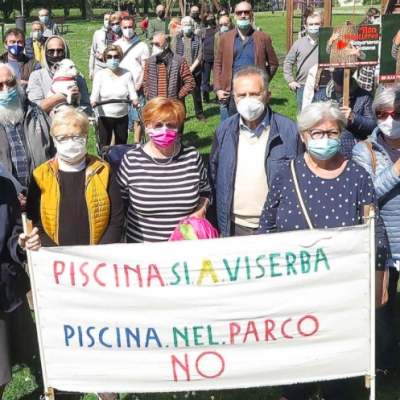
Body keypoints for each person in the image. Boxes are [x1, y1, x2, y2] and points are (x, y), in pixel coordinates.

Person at [258, 101, 389, 400]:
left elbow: (374, 227)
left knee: (336, 355)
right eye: (317, 133)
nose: (325, 139)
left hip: (340, 287)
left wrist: (380, 274)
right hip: (292, 285)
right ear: (303, 135)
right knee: (296, 350)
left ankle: (335, 390)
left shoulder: (357, 175)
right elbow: (266, 223)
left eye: (333, 133)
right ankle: (295, 390)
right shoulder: (285, 172)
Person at [26, 109, 124, 400]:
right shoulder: (41, 175)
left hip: (97, 267)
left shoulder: (103, 170)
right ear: (54, 140)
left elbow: (117, 219)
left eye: (78, 136)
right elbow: (35, 221)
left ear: (86, 136)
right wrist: (60, 259)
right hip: (57, 268)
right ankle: (66, 381)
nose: (72, 142)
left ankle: (103, 381)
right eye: (64, 137)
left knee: (99, 323)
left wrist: (95, 259)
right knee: (65, 325)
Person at [209, 66, 300, 237]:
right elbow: (213, 178)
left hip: (277, 227)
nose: (248, 100)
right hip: (235, 228)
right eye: (242, 95)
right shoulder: (224, 131)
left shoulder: (289, 131)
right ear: (234, 98)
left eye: (254, 94)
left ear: (267, 96)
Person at [117, 97, 212, 243]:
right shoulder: (131, 160)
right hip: (142, 250)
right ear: (147, 126)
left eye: (171, 125)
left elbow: (206, 191)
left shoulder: (191, 156)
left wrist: (201, 210)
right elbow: (119, 206)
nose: (164, 130)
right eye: (158, 125)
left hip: (185, 247)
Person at [352, 85, 400, 375]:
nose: (390, 119)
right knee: (384, 306)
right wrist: (395, 172)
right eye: (382, 114)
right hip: (386, 242)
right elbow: (368, 193)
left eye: (396, 113)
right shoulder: (364, 150)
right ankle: (385, 362)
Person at [0, 177, 41, 400]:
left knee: (2, 369)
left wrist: (22, 244)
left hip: (4, 291)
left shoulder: (5, 187)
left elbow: (13, 234)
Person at [214, 1, 279, 117]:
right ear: (234, 16)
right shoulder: (226, 38)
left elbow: (273, 63)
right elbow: (218, 64)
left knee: (256, 123)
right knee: (234, 125)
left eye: (246, 12)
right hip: (233, 91)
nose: (243, 15)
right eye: (239, 12)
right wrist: (218, 88)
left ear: (252, 15)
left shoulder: (263, 38)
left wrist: (263, 81)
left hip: (255, 91)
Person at [0, 63, 53, 202]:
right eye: (0, 86)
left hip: (42, 194)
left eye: (10, 83)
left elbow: (54, 150)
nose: (6, 89)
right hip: (5, 200)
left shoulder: (36, 112)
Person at [312, 68, 376, 159]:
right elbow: (311, 123)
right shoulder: (320, 96)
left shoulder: (364, 97)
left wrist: (353, 117)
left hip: (353, 150)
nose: (340, 72)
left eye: (344, 69)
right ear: (331, 71)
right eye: (337, 69)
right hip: (326, 147)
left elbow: (372, 126)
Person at [27, 35, 91, 115]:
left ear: (66, 52)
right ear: (45, 53)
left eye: (60, 51)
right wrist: (60, 97)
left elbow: (87, 107)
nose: (55, 55)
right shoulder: (37, 76)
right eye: (51, 51)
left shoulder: (78, 77)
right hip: (47, 126)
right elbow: (33, 107)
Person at [90, 45, 138, 146]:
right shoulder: (100, 75)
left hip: (122, 116)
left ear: (120, 57)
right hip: (104, 116)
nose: (113, 59)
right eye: (109, 57)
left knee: (121, 145)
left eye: (116, 56)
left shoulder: (127, 74)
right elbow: (95, 92)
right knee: (104, 145)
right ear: (105, 58)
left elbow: (132, 92)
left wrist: (134, 100)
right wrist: (93, 100)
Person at [114, 16, 150, 142]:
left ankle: (136, 145)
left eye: (130, 27)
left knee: (137, 118)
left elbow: (145, 68)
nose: (128, 30)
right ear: (121, 28)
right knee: (119, 118)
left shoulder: (142, 46)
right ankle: (119, 145)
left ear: (135, 27)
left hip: (136, 87)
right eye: (125, 27)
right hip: (120, 88)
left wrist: (139, 84)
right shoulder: (116, 45)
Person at [284, 12, 322, 111]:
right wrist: (290, 80)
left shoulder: (326, 42)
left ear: (322, 25)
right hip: (303, 85)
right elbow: (288, 62)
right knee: (304, 115)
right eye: (311, 24)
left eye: (317, 24)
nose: (314, 27)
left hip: (322, 85)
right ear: (306, 26)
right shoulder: (298, 43)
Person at [172, 17, 206, 123]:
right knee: (180, 94)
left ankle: (200, 114)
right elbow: (174, 54)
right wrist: (182, 69)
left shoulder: (197, 38)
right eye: (185, 24)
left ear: (192, 25)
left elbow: (200, 55)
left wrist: (191, 68)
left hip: (194, 70)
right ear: (182, 26)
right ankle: (182, 114)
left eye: (189, 24)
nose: (187, 26)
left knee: (196, 95)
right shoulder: (177, 38)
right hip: (180, 71)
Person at [143, 33, 195, 102]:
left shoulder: (178, 61)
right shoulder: (149, 62)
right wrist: (149, 95)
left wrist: (178, 97)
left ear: (166, 45)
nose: (154, 46)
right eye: (152, 44)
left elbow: (190, 82)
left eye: (157, 44)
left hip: (173, 107)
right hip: (155, 106)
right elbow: (145, 82)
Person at [214, 15, 233, 121]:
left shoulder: (236, 35)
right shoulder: (217, 35)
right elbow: (216, 55)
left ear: (230, 23)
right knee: (223, 102)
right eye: (221, 25)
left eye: (226, 24)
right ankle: (224, 126)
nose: (223, 27)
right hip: (223, 73)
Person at [200, 10, 218, 104]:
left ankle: (218, 97)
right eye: (208, 16)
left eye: (212, 16)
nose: (210, 18)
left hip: (216, 59)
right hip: (206, 59)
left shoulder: (218, 29)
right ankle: (205, 98)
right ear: (205, 19)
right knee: (205, 80)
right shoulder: (202, 30)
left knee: (217, 79)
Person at [89, 11, 113, 80]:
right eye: (106, 19)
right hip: (99, 66)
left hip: (111, 66)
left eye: (110, 19)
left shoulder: (116, 35)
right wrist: (91, 69)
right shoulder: (97, 33)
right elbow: (93, 51)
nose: (108, 21)